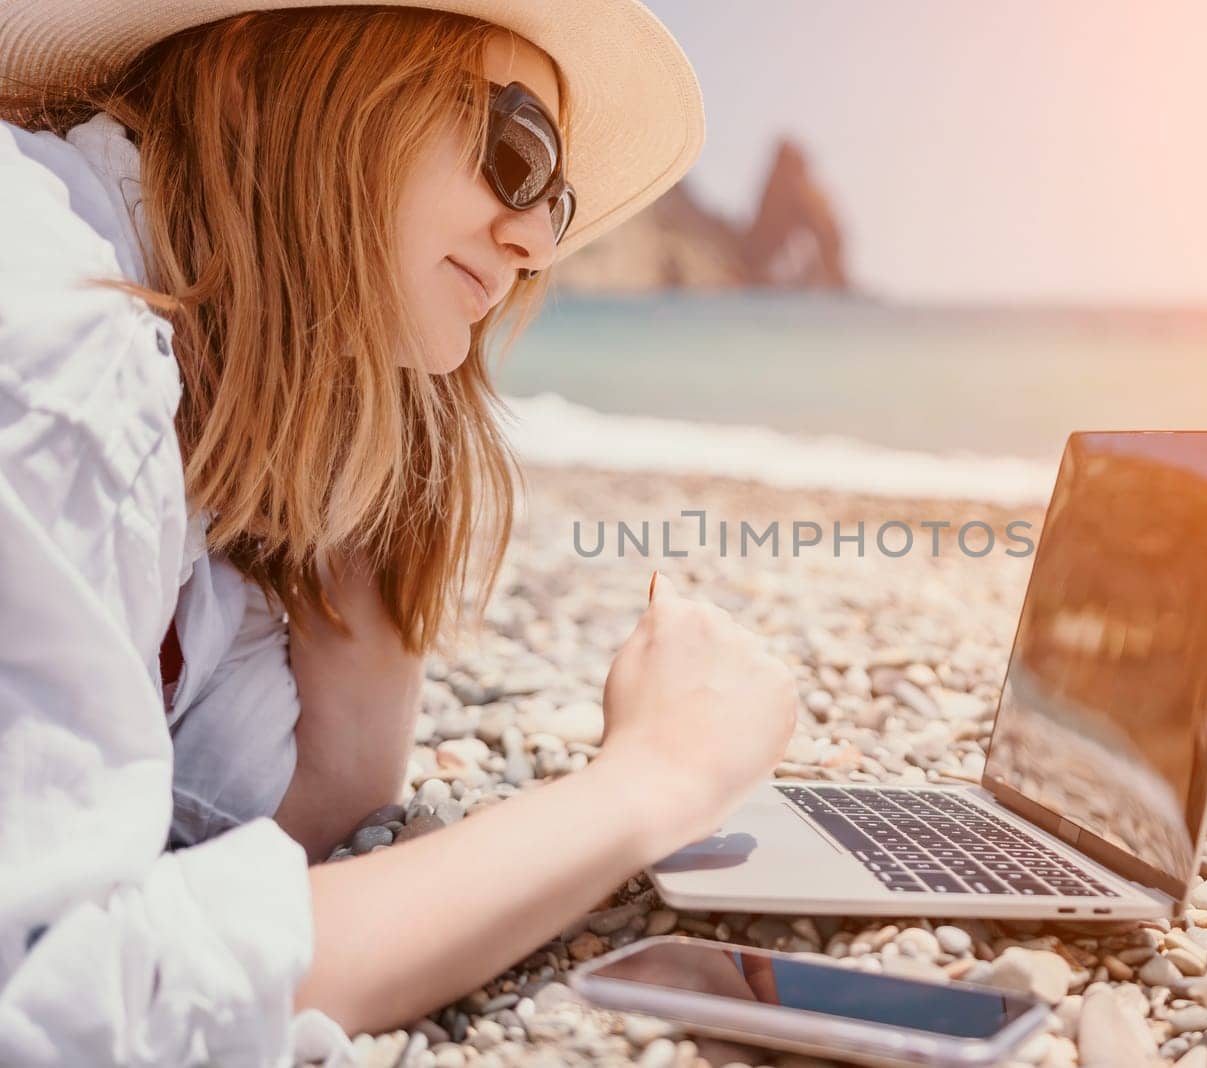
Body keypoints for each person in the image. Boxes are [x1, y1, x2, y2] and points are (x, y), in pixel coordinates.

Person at [0, 2, 799, 1064]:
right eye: (515, 154)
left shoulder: (175, 395)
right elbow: (57, 1005)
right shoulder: (66, 358)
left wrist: (364, 387)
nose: (527, 243)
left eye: (553, 211)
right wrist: (650, 783)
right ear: (253, 78)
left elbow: (302, 805)